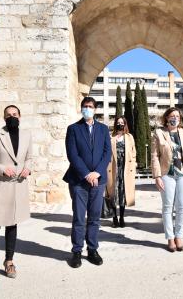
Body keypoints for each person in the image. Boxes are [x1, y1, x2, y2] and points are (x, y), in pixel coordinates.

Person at [0, 105, 33, 284]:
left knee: (12, 225)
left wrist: (27, 169)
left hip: (17, 187)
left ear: (20, 116)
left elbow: (29, 158)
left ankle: (9, 261)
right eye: (8, 115)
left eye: (15, 114)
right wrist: (2, 169)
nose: (12, 117)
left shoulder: (26, 135)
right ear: (4, 118)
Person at [63, 97, 112, 268]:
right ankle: (76, 251)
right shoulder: (73, 129)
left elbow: (107, 154)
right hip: (78, 180)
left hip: (98, 181)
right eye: (85, 106)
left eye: (90, 107)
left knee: (94, 217)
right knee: (78, 217)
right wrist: (86, 174)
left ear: (95, 109)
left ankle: (92, 249)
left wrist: (97, 173)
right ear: (81, 108)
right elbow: (72, 154)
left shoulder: (104, 129)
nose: (87, 109)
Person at [151, 107, 183, 252]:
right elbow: (154, 156)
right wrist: (157, 176)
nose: (175, 118)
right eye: (172, 116)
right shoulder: (159, 133)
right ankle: (170, 238)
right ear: (166, 118)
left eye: (177, 116)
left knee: (182, 206)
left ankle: (179, 236)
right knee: (168, 207)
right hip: (167, 174)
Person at [106, 116, 137, 228]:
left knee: (123, 193)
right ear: (115, 124)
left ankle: (122, 217)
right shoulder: (111, 137)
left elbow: (134, 153)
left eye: (122, 122)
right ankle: (114, 218)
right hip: (113, 169)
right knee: (113, 194)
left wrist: (133, 164)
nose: (120, 124)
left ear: (125, 124)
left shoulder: (129, 137)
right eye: (118, 122)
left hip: (125, 169)